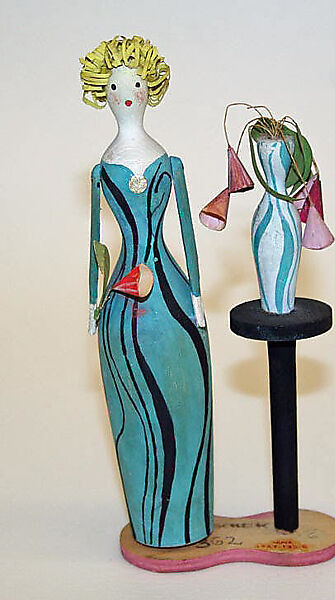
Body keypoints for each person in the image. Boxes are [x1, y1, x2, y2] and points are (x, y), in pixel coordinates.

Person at [80, 35, 213, 548]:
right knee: (134, 411)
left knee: (186, 402)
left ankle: (190, 519)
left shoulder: (169, 162)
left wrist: (196, 296)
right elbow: (96, 241)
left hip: (174, 304)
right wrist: (93, 302)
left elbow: (187, 232)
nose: (126, 92)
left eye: (135, 83)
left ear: (149, 89)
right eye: (116, 86)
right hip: (120, 309)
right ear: (104, 95)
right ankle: (152, 525)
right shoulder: (101, 170)